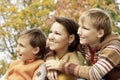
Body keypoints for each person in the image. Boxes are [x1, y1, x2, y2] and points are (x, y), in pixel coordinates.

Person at [45, 8, 120, 80]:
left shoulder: (113, 48)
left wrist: (60, 65)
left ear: (100, 33)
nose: (79, 32)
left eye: (85, 28)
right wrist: (50, 63)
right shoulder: (85, 41)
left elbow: (94, 74)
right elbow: (49, 42)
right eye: (80, 26)